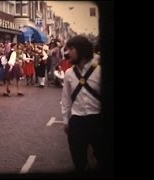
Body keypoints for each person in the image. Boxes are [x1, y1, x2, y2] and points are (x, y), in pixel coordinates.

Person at [61, 36, 104, 172]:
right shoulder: (68, 74)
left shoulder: (99, 71)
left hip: (98, 119)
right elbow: (66, 99)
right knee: (78, 161)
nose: (67, 53)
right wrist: (66, 120)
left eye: (71, 49)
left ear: (81, 50)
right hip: (77, 122)